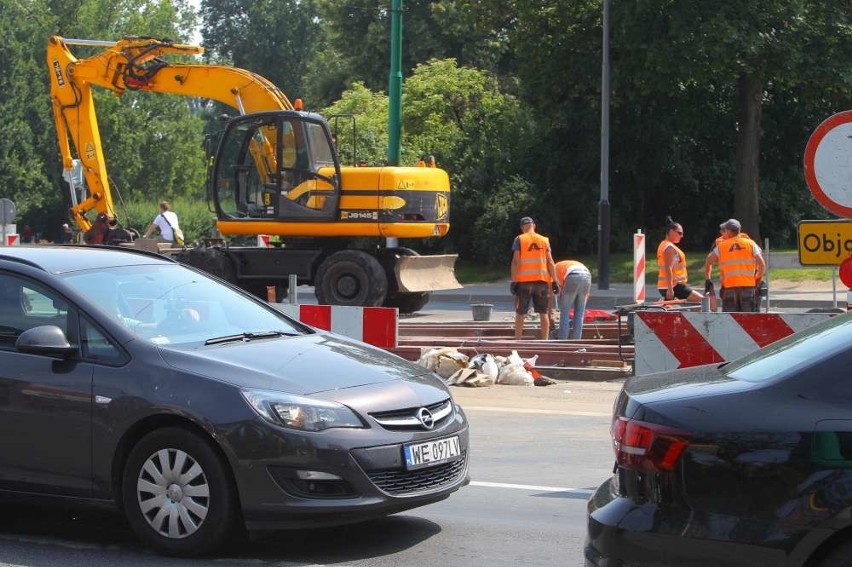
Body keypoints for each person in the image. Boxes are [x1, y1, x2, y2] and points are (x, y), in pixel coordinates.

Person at [511, 216, 558, 340]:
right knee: (543, 313)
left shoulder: (519, 239)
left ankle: (518, 342)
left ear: (522, 228)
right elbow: (551, 262)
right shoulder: (544, 240)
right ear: (534, 226)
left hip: (524, 283)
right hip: (542, 282)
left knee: (520, 313)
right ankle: (544, 341)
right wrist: (555, 281)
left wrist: (514, 281)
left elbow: (515, 261)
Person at [704, 218, 765, 312]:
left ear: (728, 231)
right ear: (739, 230)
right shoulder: (750, 243)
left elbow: (708, 261)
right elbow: (761, 264)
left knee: (730, 319)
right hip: (748, 286)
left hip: (729, 288)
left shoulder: (722, 246)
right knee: (749, 319)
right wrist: (757, 279)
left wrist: (708, 279)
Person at [656, 216, 705, 304]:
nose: (682, 236)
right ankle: (691, 318)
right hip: (674, 286)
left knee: (692, 304)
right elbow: (668, 268)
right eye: (679, 233)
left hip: (670, 285)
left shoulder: (664, 245)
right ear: (671, 231)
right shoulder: (669, 247)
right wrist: (670, 290)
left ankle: (685, 315)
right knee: (702, 301)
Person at [554, 259, 592, 340]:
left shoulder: (553, 271)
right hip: (587, 275)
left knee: (565, 312)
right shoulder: (561, 266)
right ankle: (576, 341)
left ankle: (562, 341)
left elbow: (555, 292)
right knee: (580, 312)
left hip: (572, 275)